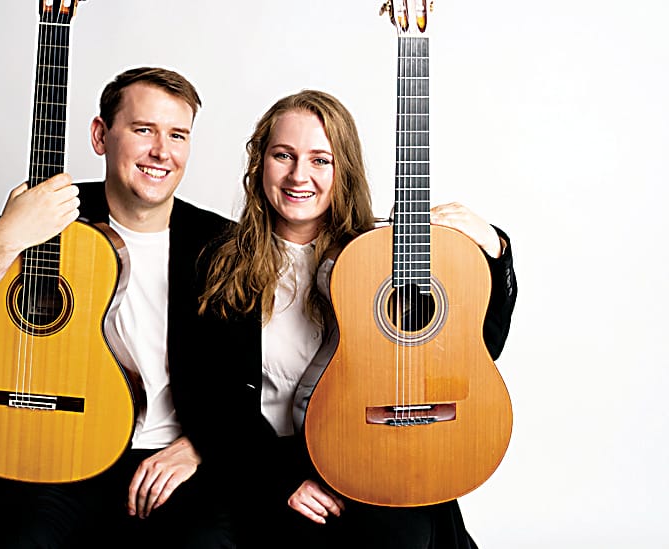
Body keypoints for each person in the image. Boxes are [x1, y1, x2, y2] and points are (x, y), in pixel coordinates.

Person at [0, 67, 236, 548]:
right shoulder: (40, 224)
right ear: (101, 136)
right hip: (51, 456)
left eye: (177, 135)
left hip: (172, 464)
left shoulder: (223, 246)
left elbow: (260, 376)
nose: (162, 151)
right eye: (144, 130)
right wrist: (3, 239)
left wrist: (201, 447)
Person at [192, 89, 517, 548]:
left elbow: (479, 347)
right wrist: (279, 481)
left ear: (343, 168)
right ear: (259, 161)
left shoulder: (381, 257)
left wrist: (495, 248)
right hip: (267, 461)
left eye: (320, 160)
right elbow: (212, 397)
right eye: (283, 155)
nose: (298, 175)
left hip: (371, 450)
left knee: (408, 536)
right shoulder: (220, 260)